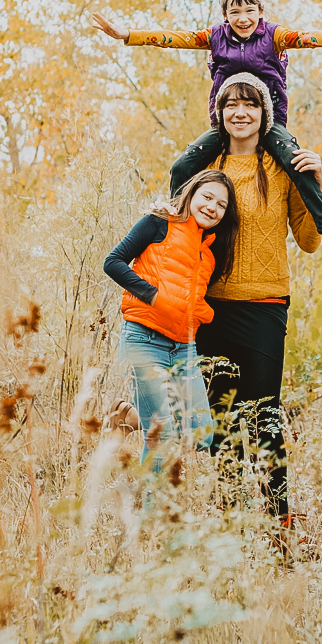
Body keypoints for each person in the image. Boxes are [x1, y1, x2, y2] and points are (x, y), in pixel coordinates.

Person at [89, 0, 322, 255]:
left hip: (270, 122)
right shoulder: (215, 37)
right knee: (181, 166)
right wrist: (127, 35)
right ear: (225, 15)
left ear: (260, 11)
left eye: (249, 11)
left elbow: (307, 38)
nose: (243, 19)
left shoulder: (274, 36)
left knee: (297, 162)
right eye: (235, 12)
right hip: (225, 124)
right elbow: (173, 38)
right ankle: (176, 224)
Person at [196, 73, 322, 534]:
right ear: (220, 112)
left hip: (266, 307)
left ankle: (278, 524)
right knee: (223, 422)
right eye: (231, 104)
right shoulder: (206, 166)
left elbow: (308, 240)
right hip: (211, 309)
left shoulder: (282, 167)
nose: (240, 112)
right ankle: (230, 526)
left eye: (250, 104)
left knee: (265, 419)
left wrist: (317, 181)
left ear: (264, 113)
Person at [102, 169, 240, 452]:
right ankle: (150, 475)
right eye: (207, 197)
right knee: (160, 439)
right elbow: (113, 262)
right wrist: (152, 295)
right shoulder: (159, 222)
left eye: (221, 205)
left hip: (183, 347)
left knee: (201, 436)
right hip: (145, 339)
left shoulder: (209, 253)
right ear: (191, 193)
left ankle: (129, 416)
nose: (212, 207)